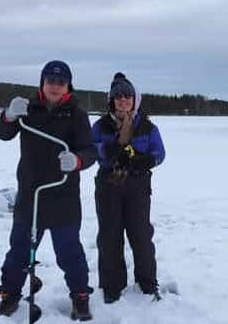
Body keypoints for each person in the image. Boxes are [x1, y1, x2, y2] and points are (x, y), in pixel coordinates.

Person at [0, 60, 97, 321]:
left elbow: (90, 151)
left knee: (70, 252)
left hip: (63, 196)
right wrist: (8, 116)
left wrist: (77, 160)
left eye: (60, 82)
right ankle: (10, 294)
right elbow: (1, 133)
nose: (55, 86)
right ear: (42, 82)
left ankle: (80, 297)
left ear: (67, 86)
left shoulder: (77, 114)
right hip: (31, 196)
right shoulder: (28, 108)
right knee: (18, 250)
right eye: (50, 80)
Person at [91, 72, 166, 304]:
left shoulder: (146, 126)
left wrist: (145, 160)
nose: (123, 100)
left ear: (135, 100)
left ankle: (147, 283)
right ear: (111, 100)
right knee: (109, 237)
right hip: (109, 185)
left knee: (141, 235)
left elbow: (160, 153)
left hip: (138, 186)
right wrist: (108, 150)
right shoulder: (101, 125)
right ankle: (112, 287)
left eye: (127, 96)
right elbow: (90, 148)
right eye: (118, 96)